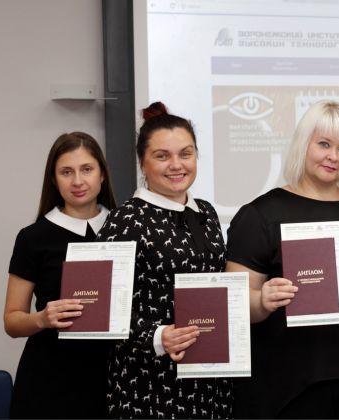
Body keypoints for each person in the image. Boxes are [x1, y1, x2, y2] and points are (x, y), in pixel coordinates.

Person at [226, 100, 339, 418]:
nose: (333, 156)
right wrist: (262, 300)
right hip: (287, 389)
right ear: (304, 144)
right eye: (324, 144)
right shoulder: (260, 215)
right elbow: (234, 303)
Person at [97, 102, 232, 419]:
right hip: (149, 386)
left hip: (210, 382)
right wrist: (158, 337)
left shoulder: (206, 213)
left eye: (186, 154)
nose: (176, 165)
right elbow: (100, 312)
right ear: (142, 162)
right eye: (162, 156)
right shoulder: (124, 221)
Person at [4, 132, 117, 418]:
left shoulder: (126, 229)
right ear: (54, 180)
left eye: (87, 169)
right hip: (51, 380)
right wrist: (41, 319)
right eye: (66, 172)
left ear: (102, 174)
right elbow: (12, 321)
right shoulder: (33, 238)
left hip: (115, 377)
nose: (78, 181)